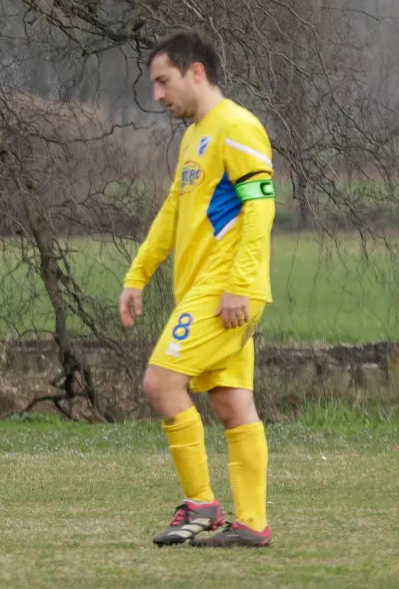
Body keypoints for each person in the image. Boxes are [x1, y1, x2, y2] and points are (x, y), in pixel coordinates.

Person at [120, 31, 275, 547]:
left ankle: (201, 504)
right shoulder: (194, 137)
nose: (158, 95)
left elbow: (261, 208)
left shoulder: (237, 126)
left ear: (196, 72)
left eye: (164, 82)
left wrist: (239, 284)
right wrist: (138, 274)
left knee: (161, 383)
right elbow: (173, 212)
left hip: (226, 291)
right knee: (232, 404)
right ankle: (250, 524)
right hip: (207, 291)